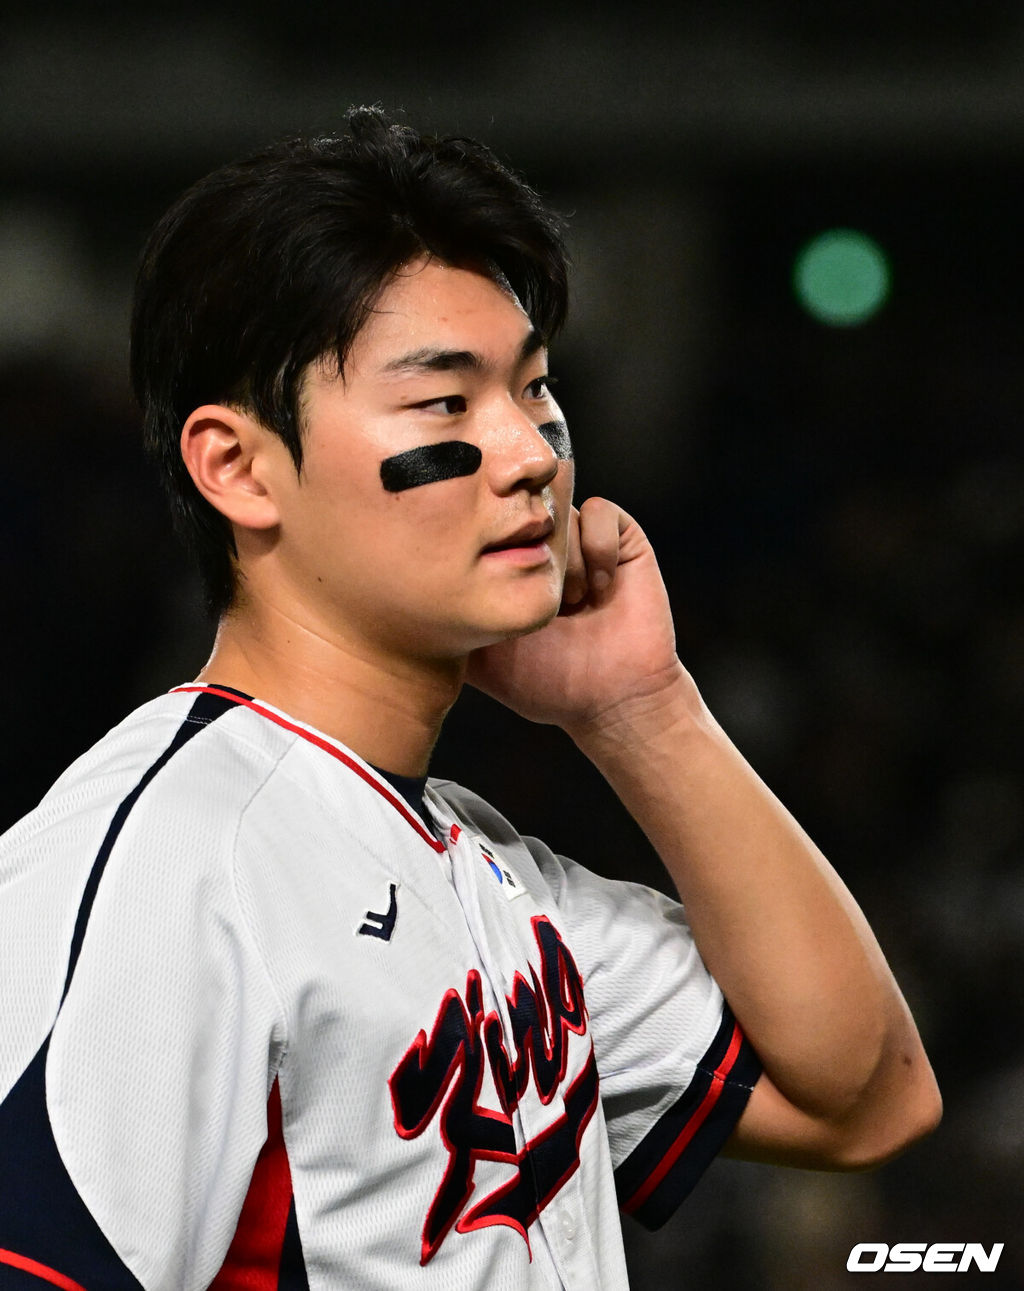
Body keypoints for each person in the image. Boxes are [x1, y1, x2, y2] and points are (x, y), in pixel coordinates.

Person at [0, 107, 940, 1290]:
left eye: (534, 388)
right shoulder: (164, 862)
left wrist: (645, 710)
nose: (532, 452)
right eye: (445, 404)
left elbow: (868, 1096)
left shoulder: (492, 871)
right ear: (237, 467)